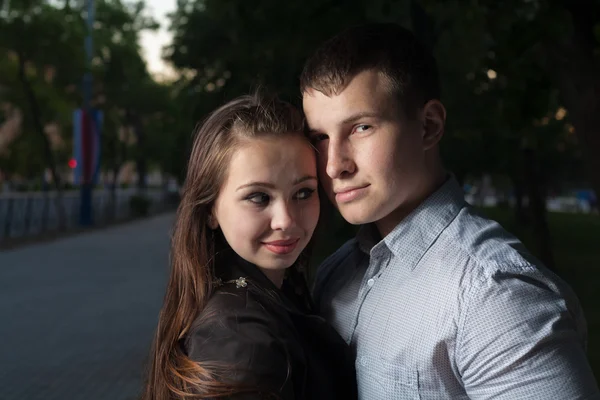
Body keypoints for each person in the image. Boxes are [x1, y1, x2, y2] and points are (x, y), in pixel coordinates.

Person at [301, 23, 600, 399]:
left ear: (429, 126)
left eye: (361, 127)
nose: (334, 166)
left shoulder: (496, 295)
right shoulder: (334, 272)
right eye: (320, 138)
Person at [142, 92, 358, 399]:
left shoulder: (276, 293)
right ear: (210, 210)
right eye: (258, 197)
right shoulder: (241, 345)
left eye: (303, 192)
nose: (285, 219)